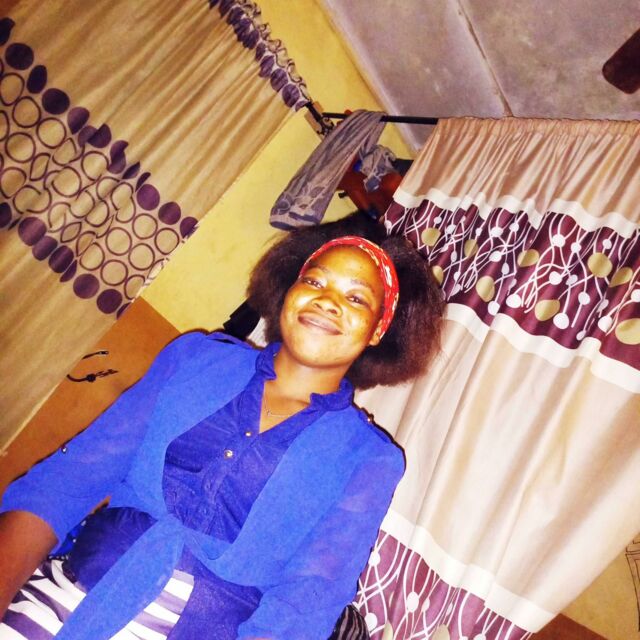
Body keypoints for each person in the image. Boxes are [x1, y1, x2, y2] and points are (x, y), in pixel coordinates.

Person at [0, 213, 443, 640]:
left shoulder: (369, 458)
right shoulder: (195, 358)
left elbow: (304, 606)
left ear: (378, 330)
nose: (327, 300)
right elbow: (66, 480)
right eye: (314, 281)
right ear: (289, 290)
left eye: (356, 298)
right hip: (64, 596)